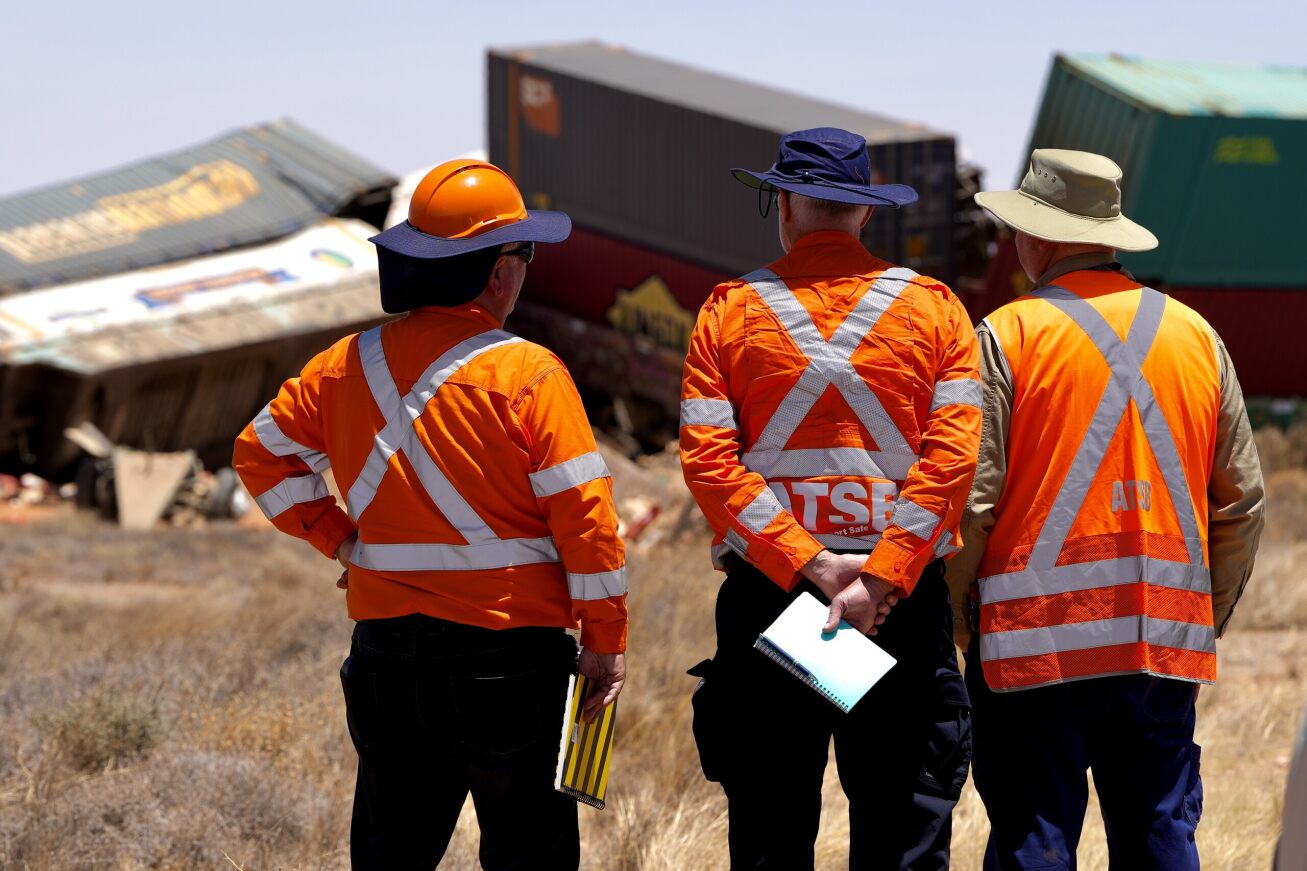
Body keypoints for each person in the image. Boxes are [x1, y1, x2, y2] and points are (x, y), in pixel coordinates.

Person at [232, 158, 628, 871]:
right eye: (525, 254)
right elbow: (586, 520)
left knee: (391, 857)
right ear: (500, 271)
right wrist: (604, 638)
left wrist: (341, 541)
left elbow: (259, 455)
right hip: (511, 660)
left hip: (385, 656)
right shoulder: (528, 373)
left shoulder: (342, 365)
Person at [948, 149, 1265, 870]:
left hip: (1032, 648)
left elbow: (972, 503)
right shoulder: (1197, 336)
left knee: (1034, 841)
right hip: (1160, 642)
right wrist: (1200, 617)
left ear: (1039, 237)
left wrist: (963, 624)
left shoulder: (1006, 335)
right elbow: (1243, 503)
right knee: (1159, 835)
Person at [680, 127, 983, 870]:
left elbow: (709, 464)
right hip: (895, 610)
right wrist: (877, 578)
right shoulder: (935, 310)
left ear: (783, 204)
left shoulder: (728, 312)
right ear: (865, 211)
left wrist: (815, 567)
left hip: (778, 603)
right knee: (902, 833)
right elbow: (951, 463)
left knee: (771, 832)